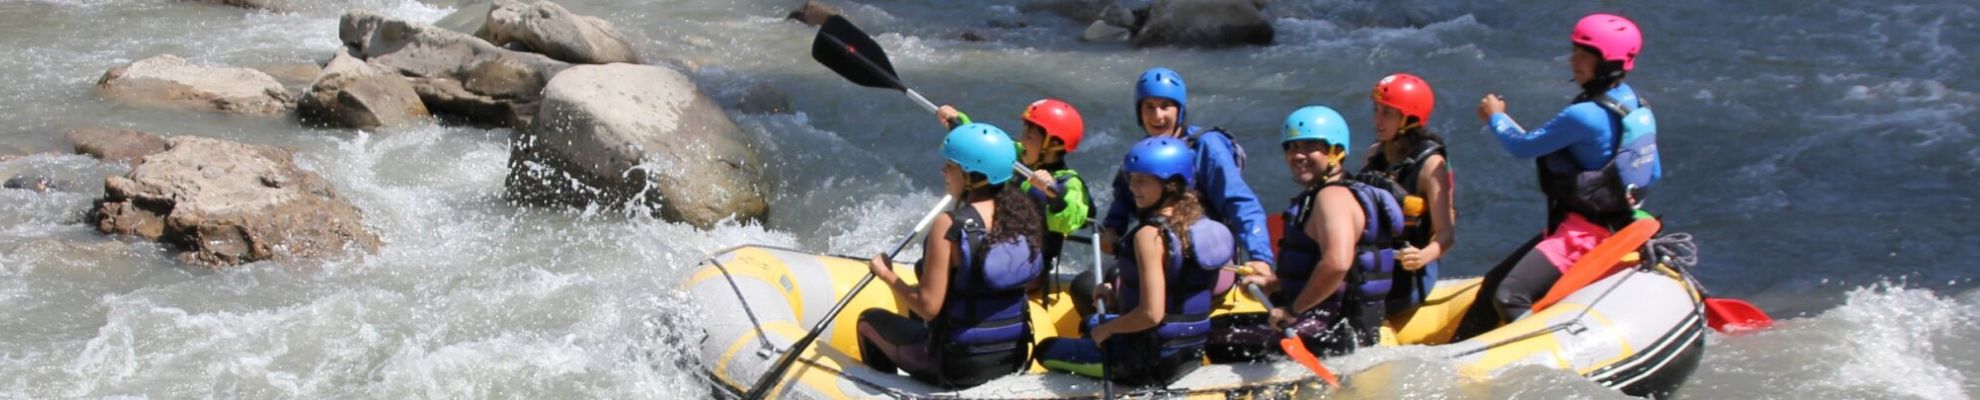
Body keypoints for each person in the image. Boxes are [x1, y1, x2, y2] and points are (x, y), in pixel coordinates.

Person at [1473, 13, 1663, 324]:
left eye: (1585, 55)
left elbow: (1521, 145)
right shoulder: (1640, 108)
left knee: (1508, 295)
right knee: (1494, 279)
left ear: (1607, 63)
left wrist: (1496, 117)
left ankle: (1533, 360)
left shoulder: (1583, 115)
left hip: (1583, 234)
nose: (1574, 60)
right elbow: (1651, 173)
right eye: (1575, 50)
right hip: (1618, 223)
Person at [855, 123, 1047, 389]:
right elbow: (1032, 282)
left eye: (951, 166)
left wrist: (886, 273)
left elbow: (928, 307)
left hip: (960, 367)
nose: (943, 171)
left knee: (868, 321)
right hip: (1014, 357)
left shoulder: (950, 224)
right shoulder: (1026, 217)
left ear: (973, 176)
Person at [1036, 137, 1235, 386]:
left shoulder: (1149, 235)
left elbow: (1151, 314)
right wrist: (1114, 295)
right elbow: (1178, 290)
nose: (1133, 186)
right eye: (1131, 178)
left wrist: (1106, 331)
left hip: (1146, 361)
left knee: (1047, 348)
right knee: (1090, 323)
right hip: (1188, 351)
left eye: (1143, 180)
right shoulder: (1202, 226)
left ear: (1170, 185)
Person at [1099, 67, 1274, 284]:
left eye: (1166, 106)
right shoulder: (1142, 152)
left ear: (1179, 110)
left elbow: (1239, 201)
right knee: (1105, 278)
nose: (1157, 116)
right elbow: (1125, 195)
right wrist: (1113, 227)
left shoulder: (1208, 146)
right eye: (1149, 107)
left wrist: (1260, 256)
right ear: (1139, 112)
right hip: (1159, 249)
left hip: (1206, 257)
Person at [1264, 106, 1412, 355]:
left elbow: (1337, 263)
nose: (1297, 155)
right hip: (1345, 325)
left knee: (1215, 336)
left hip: (1328, 332)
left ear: (1336, 151)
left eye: (1310, 146)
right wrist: (1276, 284)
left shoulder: (1331, 197)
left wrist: (1292, 311)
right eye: (1292, 147)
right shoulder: (1344, 193)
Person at [936, 99, 1095, 286]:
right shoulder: (1017, 156)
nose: (1022, 140)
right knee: (928, 265)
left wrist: (1054, 194)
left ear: (1052, 145)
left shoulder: (1068, 183)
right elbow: (985, 146)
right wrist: (958, 123)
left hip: (1028, 265)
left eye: (1029, 137)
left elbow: (1072, 218)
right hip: (990, 245)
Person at [1361, 73, 1453, 316]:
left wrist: (1422, 256)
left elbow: (1446, 234)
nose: (1378, 120)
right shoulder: (1373, 155)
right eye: (1376, 110)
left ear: (1410, 119)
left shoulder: (1432, 165)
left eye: (1387, 113)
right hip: (1374, 262)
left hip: (1411, 272)